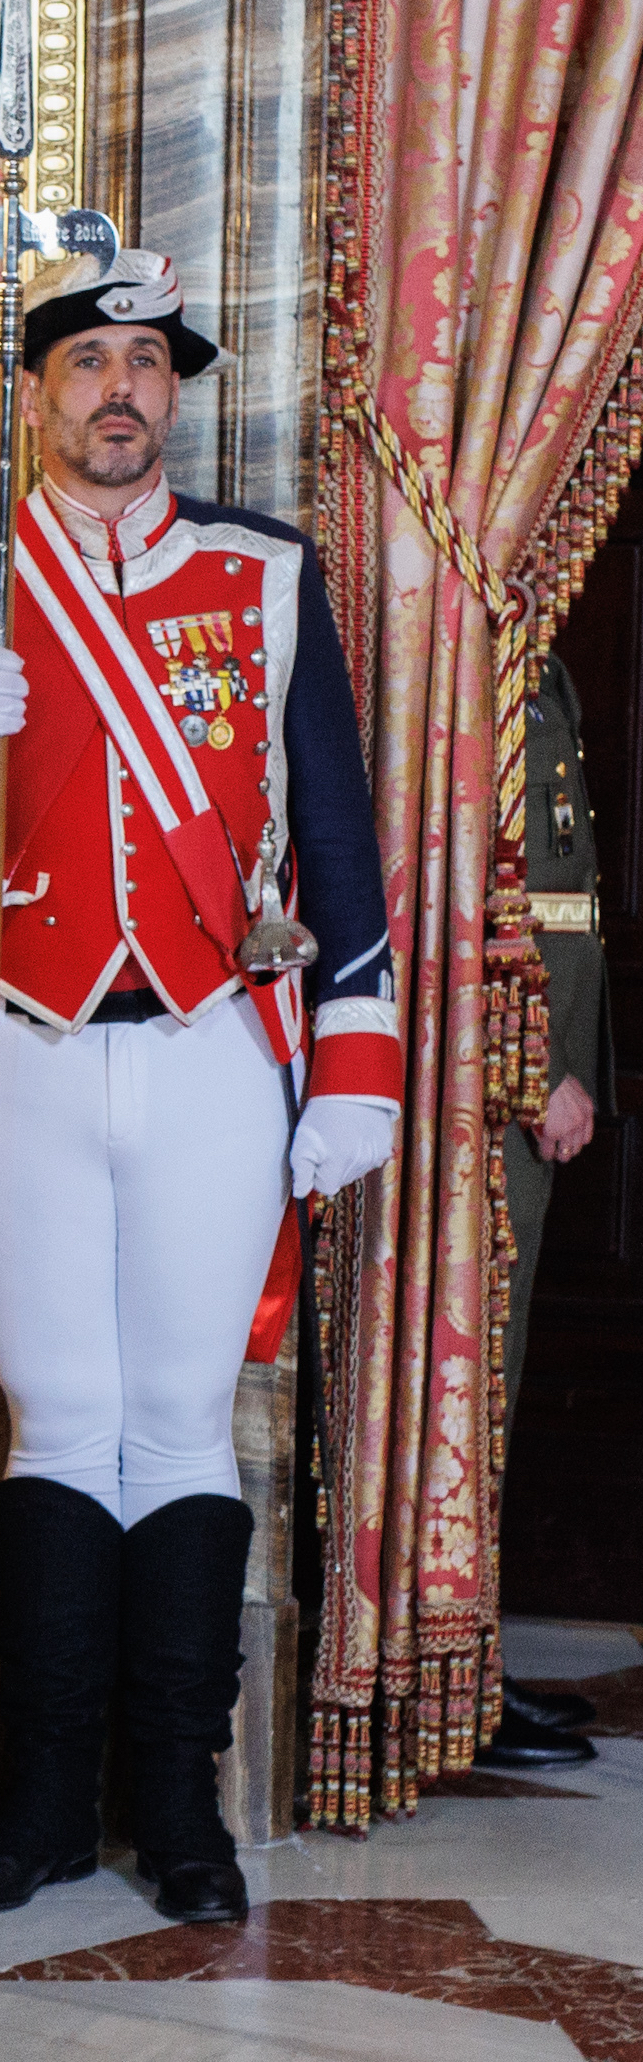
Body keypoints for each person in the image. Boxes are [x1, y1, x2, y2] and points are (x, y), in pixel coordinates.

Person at [0, 251, 404, 1925]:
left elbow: (339, 843)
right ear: (30, 395)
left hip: (214, 1051)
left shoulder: (263, 577)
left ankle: (178, 1810)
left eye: (147, 362)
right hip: (21, 1051)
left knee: (181, 1422)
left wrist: (350, 1059)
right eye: (87, 364)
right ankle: (32, 1808)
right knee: (58, 1423)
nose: (121, 391)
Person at [481, 649, 613, 1770]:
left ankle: (467, 1657)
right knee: (471, 1373)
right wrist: (532, 1064)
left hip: (530, 1071)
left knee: (500, 1371)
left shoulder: (539, 661)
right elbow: (465, 886)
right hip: (484, 1085)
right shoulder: (448, 660)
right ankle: (445, 1668)